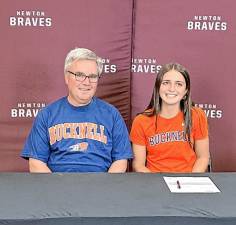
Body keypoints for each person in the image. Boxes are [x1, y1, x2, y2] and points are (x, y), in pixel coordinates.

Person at [21, 47, 132, 173]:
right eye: (79, 75)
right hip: (57, 187)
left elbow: (121, 160)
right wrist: (56, 190)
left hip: (100, 187)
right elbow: (36, 163)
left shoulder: (112, 114)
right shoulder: (47, 115)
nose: (86, 82)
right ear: (67, 77)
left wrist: (104, 189)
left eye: (92, 76)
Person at [130, 63, 209, 173]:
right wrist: (156, 184)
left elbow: (203, 157)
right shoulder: (141, 121)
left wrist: (191, 181)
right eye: (166, 83)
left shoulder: (197, 115)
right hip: (154, 181)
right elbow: (138, 165)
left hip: (188, 181)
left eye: (179, 84)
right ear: (158, 87)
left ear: (186, 92)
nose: (172, 89)